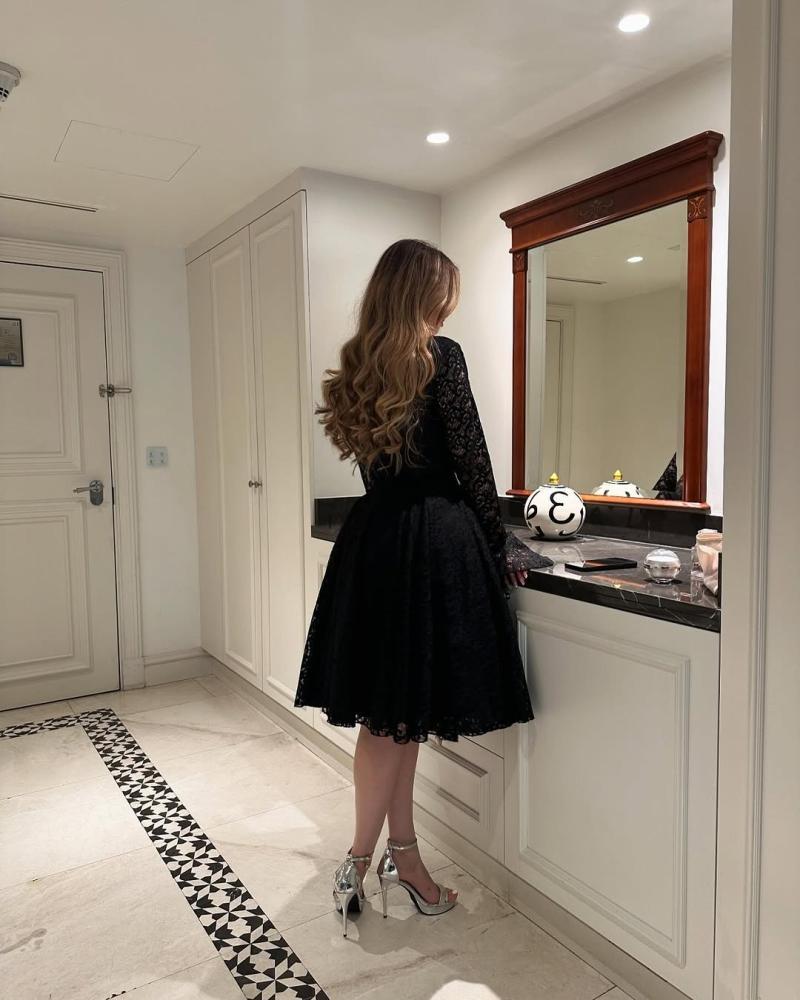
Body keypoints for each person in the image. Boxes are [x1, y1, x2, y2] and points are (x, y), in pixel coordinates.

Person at [293, 238, 549, 936]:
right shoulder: (441, 356)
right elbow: (472, 462)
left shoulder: (358, 366)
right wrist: (500, 542)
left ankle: (401, 856)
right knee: (388, 722)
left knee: (393, 715)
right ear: (428, 294)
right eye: (446, 294)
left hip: (374, 541)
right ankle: (360, 859)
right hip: (431, 540)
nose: (450, 307)